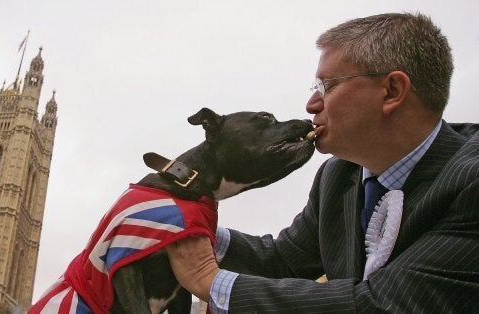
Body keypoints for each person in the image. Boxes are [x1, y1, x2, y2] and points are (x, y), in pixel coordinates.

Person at [166, 12, 479, 313]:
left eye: (327, 86)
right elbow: (282, 262)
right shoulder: (338, 175)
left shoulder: (472, 181)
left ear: (392, 91)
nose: (311, 104)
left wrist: (212, 281)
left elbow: (384, 304)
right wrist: (181, 224)